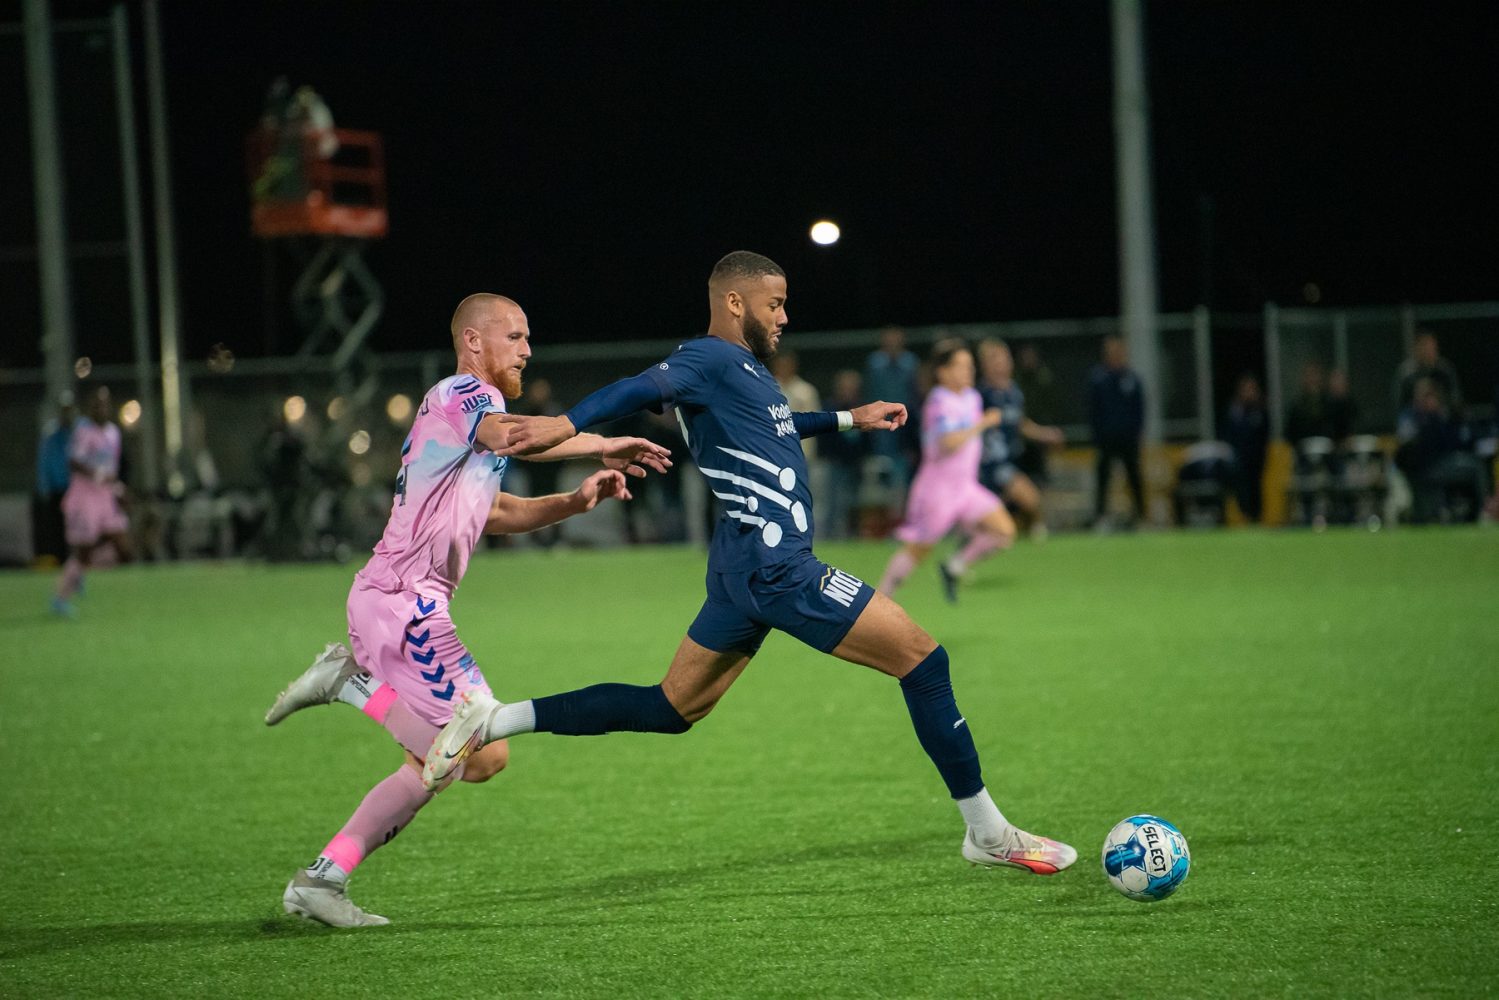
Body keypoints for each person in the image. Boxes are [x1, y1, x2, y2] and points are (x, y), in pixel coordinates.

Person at [422, 252, 1078, 878]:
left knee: (671, 707)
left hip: (739, 568)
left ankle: (495, 718)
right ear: (735, 302)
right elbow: (639, 386)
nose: (785, 316)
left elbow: (778, 426)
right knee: (924, 662)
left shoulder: (747, 372)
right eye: (777, 303)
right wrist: (566, 425)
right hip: (778, 566)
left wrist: (851, 417)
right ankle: (987, 834)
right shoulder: (704, 358)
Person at [262, 293, 672, 927]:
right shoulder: (463, 395)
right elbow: (512, 436)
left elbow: (496, 512)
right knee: (475, 735)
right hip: (405, 607)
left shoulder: (470, 432)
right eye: (515, 336)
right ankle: (351, 686)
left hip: (404, 608)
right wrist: (599, 440)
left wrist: (574, 501)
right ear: (475, 343)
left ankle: (323, 877)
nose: (528, 349)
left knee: (468, 758)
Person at [879, 340, 1016, 602]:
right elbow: (947, 442)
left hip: (965, 488)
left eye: (970, 366)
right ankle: (879, 600)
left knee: (1004, 531)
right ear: (942, 372)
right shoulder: (938, 401)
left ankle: (954, 567)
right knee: (918, 551)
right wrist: (982, 424)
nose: (968, 371)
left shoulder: (972, 397)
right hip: (937, 491)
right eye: (961, 366)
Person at [51, 387, 131, 617]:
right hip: (84, 498)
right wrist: (97, 475)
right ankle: (60, 598)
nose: (101, 409)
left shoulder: (113, 432)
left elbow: (111, 468)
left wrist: (118, 488)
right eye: (97, 405)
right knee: (83, 551)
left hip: (104, 496)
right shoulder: (83, 430)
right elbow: (74, 462)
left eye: (105, 404)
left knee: (121, 543)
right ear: (90, 408)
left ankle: (78, 571)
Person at [977, 339, 1065, 538]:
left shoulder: (1014, 393)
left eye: (1004, 360)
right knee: (993, 522)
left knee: (1029, 502)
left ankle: (1034, 540)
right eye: (995, 361)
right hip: (985, 467)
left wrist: (1046, 434)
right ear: (985, 366)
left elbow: (1020, 424)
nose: (1001, 366)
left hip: (1008, 463)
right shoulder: (980, 396)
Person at [1395, 378, 1485, 523]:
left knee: (1474, 466)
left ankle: (1478, 510)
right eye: (1424, 395)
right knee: (1474, 467)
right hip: (1422, 468)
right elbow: (1407, 447)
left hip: (1440, 463)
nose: (1428, 400)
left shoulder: (1442, 415)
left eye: (1431, 395)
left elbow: (1453, 442)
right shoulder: (1411, 416)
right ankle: (1481, 510)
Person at [1086, 335, 1146, 527]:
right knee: (1103, 477)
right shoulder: (1098, 378)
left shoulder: (1132, 378)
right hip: (1106, 438)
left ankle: (1141, 517)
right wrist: (1096, 435)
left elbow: (1140, 409)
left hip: (1128, 438)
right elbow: (1092, 409)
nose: (1115, 354)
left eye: (1118, 350)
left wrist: (1137, 432)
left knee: (1134, 476)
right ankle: (1100, 517)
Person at [863, 326, 920, 506]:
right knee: (878, 472)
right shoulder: (874, 363)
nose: (892, 344)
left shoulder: (910, 362)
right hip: (879, 425)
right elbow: (869, 392)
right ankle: (880, 520)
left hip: (903, 425)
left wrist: (912, 428)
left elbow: (914, 395)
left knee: (902, 472)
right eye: (889, 340)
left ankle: (899, 515)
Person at [820, 369, 868, 539]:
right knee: (833, 500)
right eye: (845, 387)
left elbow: (868, 436)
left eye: (851, 387)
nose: (848, 390)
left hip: (856, 462)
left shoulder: (863, 407)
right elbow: (823, 433)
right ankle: (830, 534)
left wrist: (864, 456)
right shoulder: (830, 407)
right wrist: (827, 454)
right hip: (836, 461)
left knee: (854, 500)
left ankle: (853, 534)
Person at [33, 393, 76, 564]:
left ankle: (74, 560)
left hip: (74, 490)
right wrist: (44, 487)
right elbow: (44, 462)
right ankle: (60, 559)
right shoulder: (50, 434)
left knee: (74, 528)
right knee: (57, 527)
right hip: (56, 489)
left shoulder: (77, 432)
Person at [1222, 374, 1269, 522]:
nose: (1248, 392)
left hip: (1256, 458)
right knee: (1241, 490)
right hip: (1239, 459)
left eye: (1251, 389)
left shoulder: (1260, 412)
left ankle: (1257, 518)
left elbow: (1264, 435)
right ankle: (1246, 517)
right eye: (1245, 389)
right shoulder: (1233, 412)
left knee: (1256, 488)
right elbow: (1227, 434)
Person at [1012, 343, 1060, 485]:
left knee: (1039, 476)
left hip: (1037, 430)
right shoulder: (1016, 381)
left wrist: (1045, 428)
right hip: (1020, 439)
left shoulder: (1043, 377)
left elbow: (1050, 404)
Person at [1395, 330, 1463, 414]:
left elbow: (1455, 397)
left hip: (1442, 415)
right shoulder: (1406, 372)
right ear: (1416, 349)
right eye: (1424, 346)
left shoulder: (1445, 369)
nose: (1428, 351)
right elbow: (1399, 402)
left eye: (1431, 347)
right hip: (1414, 416)